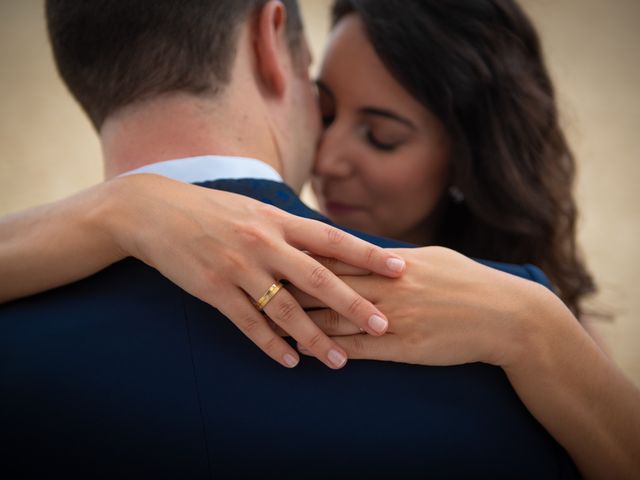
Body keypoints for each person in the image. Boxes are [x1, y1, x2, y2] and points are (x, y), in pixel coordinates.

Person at [1, 0, 638, 478]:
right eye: (325, 106)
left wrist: (535, 320)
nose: (327, 157)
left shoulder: (534, 337)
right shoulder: (507, 370)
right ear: (270, 38)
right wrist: (121, 208)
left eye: (383, 135)